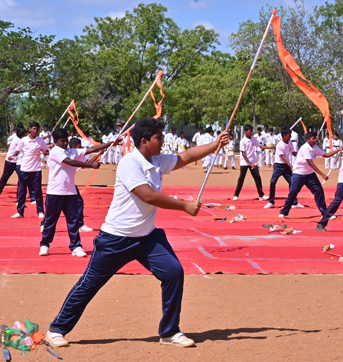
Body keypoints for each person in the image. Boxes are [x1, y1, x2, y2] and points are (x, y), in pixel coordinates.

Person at [45, 117, 230, 349]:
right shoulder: (130, 163)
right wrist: (184, 205)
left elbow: (186, 157)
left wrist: (216, 145)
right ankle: (56, 330)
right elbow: (148, 195)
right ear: (144, 141)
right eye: (158, 138)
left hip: (147, 239)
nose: (163, 142)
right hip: (116, 239)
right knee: (89, 284)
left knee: (173, 272)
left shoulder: (157, 160)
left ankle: (169, 332)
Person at [40, 129, 114, 257]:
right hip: (55, 192)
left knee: (73, 221)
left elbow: (92, 149)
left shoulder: (72, 151)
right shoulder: (55, 152)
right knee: (51, 220)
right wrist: (91, 166)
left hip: (70, 193)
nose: (64, 143)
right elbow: (70, 162)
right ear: (55, 142)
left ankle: (76, 246)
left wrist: (111, 143)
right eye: (61, 141)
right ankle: (45, 244)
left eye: (66, 141)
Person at [279, 132, 343, 219]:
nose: (315, 140)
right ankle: (283, 211)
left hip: (309, 174)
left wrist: (339, 149)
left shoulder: (315, 148)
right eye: (313, 138)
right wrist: (322, 174)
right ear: (307, 140)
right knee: (293, 193)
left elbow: (326, 155)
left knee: (319, 191)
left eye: (316, 138)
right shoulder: (305, 148)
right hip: (299, 174)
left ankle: (324, 213)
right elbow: (310, 163)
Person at [10, 122, 48, 219]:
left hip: (36, 169)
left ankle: (40, 211)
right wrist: (12, 156)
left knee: (38, 191)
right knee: (22, 191)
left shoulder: (40, 141)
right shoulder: (23, 140)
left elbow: (46, 150)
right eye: (34, 129)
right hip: (24, 169)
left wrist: (45, 152)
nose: (35, 131)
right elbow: (18, 151)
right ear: (30, 129)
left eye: (37, 129)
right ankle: (20, 212)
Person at [264, 129, 301, 209]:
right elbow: (283, 157)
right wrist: (291, 166)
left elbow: (294, 153)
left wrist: (302, 154)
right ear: (284, 136)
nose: (291, 136)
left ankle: (294, 202)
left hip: (286, 166)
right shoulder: (279, 145)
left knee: (292, 182)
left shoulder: (290, 143)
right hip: (278, 166)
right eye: (289, 135)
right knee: (273, 182)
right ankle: (271, 202)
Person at [233, 125, 271, 201]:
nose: (251, 132)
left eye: (251, 131)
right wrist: (250, 163)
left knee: (257, 177)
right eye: (249, 131)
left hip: (253, 161)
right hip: (245, 162)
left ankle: (261, 195)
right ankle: (236, 194)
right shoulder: (243, 141)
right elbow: (243, 154)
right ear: (245, 131)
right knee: (241, 179)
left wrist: (270, 147)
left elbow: (260, 146)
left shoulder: (253, 139)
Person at [0, 127, 26, 198]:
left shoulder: (22, 139)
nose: (27, 134)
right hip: (10, 161)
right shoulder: (18, 140)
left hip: (18, 162)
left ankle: (20, 194)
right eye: (25, 133)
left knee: (21, 178)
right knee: (5, 176)